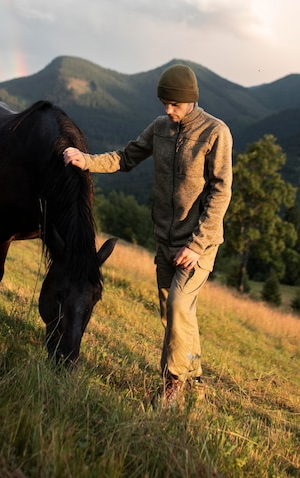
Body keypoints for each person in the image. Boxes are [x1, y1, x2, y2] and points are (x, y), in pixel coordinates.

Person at [63, 63, 233, 405]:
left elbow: (221, 191)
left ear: (191, 100)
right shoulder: (160, 128)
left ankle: (171, 385)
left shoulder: (215, 132)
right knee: (175, 313)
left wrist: (197, 245)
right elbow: (126, 157)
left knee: (178, 305)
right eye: (164, 104)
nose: (168, 111)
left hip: (198, 243)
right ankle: (194, 375)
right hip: (164, 239)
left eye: (175, 104)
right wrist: (86, 160)